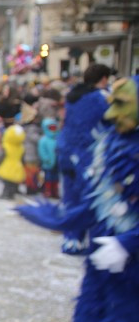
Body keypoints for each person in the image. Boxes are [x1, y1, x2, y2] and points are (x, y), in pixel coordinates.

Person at [18, 74, 139, 322]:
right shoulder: (111, 142)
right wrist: (54, 218)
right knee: (91, 297)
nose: (111, 115)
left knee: (125, 305)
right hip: (103, 239)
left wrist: (128, 243)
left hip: (130, 250)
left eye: (122, 105)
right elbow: (96, 200)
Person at [57, 64, 112, 254]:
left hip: (66, 150)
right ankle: (89, 241)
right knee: (88, 199)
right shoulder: (100, 98)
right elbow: (110, 123)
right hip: (88, 154)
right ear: (103, 79)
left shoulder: (72, 95)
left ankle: (71, 238)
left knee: (71, 196)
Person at [0, 115, 25, 200]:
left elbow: (1, 156)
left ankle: (5, 194)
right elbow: (22, 158)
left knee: (6, 183)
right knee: (13, 183)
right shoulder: (21, 147)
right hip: (17, 167)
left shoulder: (6, 146)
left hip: (7, 166)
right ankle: (11, 194)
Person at [38, 117, 60, 199]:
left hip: (57, 163)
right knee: (47, 178)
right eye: (51, 128)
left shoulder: (57, 139)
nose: (53, 130)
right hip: (47, 164)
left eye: (54, 128)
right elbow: (42, 151)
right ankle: (48, 191)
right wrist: (46, 159)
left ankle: (55, 191)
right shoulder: (43, 140)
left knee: (56, 178)